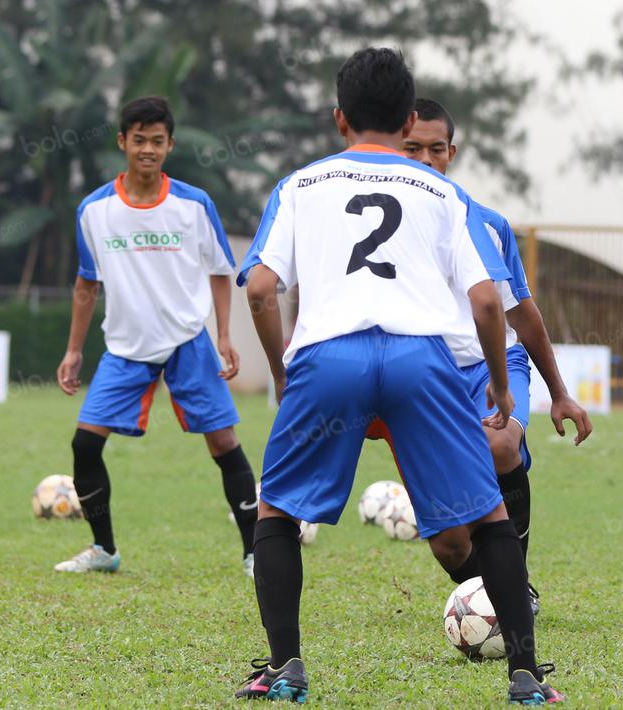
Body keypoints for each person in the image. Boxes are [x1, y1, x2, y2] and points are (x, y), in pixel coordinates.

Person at [234, 48, 562, 704]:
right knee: (488, 513)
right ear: (409, 119)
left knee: (277, 510)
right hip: (422, 360)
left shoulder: (300, 185)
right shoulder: (443, 192)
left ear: (339, 118)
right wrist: (501, 385)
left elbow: (262, 289)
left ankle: (285, 667)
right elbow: (487, 302)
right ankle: (525, 677)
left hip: (329, 358)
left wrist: (281, 371)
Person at [363, 98, 592, 611]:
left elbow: (521, 314)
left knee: (501, 446)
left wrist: (559, 394)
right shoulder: (376, 220)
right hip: (419, 375)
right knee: (450, 545)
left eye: (436, 149)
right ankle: (485, 591)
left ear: (452, 152)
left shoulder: (485, 223)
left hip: (490, 366)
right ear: (394, 146)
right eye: (412, 148)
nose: (425, 159)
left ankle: (514, 590)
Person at [55, 96, 258, 577]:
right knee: (84, 445)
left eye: (157, 140)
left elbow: (220, 270)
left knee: (224, 443)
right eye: (139, 139)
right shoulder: (94, 210)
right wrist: (73, 350)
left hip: (188, 341)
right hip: (125, 347)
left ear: (170, 145)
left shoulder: (193, 204)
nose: (148, 149)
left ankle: (256, 553)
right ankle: (104, 550)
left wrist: (224, 336)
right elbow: (87, 283)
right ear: (122, 142)